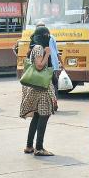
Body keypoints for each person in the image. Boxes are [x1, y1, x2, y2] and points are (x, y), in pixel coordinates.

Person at [20, 26, 57, 156]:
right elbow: (39, 66)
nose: (48, 38)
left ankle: (29, 146)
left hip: (37, 87)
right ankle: (39, 148)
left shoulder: (35, 47)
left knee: (36, 116)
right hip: (41, 88)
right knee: (44, 115)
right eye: (47, 36)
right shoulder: (39, 48)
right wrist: (47, 53)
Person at [36, 21, 62, 91]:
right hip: (46, 66)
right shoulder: (36, 40)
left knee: (53, 84)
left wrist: (62, 64)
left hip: (51, 65)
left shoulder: (51, 38)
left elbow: (56, 52)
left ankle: (53, 99)